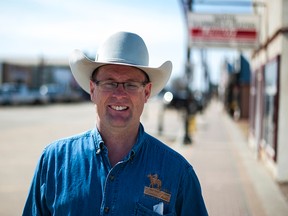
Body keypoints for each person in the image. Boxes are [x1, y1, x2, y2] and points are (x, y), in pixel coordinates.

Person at [23, 31, 208, 215]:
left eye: (131, 84)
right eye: (109, 83)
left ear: (146, 93)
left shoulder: (178, 174)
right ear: (92, 89)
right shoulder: (54, 162)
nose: (119, 94)